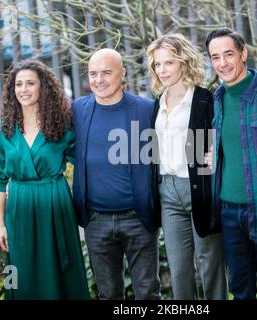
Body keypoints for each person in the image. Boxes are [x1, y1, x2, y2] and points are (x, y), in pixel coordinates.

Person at [0, 59, 89, 300]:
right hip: (19, 207)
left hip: (55, 203)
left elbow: (86, 164)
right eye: (18, 84)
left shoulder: (62, 127)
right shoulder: (2, 130)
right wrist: (1, 225)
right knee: (19, 271)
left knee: (59, 269)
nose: (23, 89)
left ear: (42, 87)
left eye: (30, 83)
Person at [71, 48, 161, 300]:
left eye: (106, 73)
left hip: (139, 218)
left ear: (122, 74)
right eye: (93, 73)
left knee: (147, 294)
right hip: (96, 220)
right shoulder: (78, 109)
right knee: (108, 295)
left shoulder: (146, 109)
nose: (99, 79)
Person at [146, 34, 228, 300]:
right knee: (179, 268)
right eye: (158, 64)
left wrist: (216, 150)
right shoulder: (157, 103)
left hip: (198, 186)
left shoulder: (205, 99)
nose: (162, 70)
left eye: (169, 63)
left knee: (209, 262)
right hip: (167, 192)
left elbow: (220, 138)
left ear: (183, 62)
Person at [205, 28, 257, 300]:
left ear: (243, 54)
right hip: (229, 211)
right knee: (240, 289)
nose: (223, 63)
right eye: (215, 57)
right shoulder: (215, 100)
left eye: (228, 54)